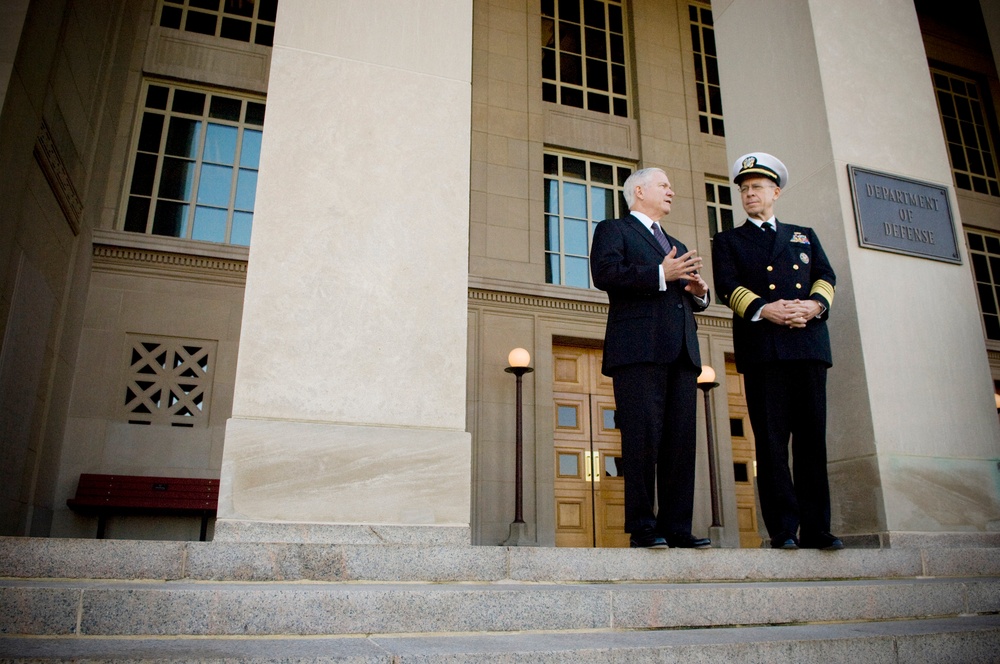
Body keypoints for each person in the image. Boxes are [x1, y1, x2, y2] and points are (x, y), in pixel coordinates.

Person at [711, 152, 844, 551]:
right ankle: (783, 530)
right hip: (764, 349)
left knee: (811, 442)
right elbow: (727, 286)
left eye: (757, 188)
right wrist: (764, 309)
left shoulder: (803, 234)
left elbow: (826, 275)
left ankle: (817, 528)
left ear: (776, 192)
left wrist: (814, 307)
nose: (749, 194)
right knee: (771, 444)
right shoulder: (728, 240)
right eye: (744, 189)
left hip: (807, 345)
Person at [590, 167, 712, 549]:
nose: (671, 191)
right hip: (638, 349)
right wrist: (661, 273)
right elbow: (605, 273)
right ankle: (643, 528)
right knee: (642, 439)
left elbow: (686, 295)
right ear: (639, 191)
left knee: (680, 443)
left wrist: (698, 292)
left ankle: (677, 527)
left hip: (681, 351)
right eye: (664, 185)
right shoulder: (614, 229)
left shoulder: (673, 240)